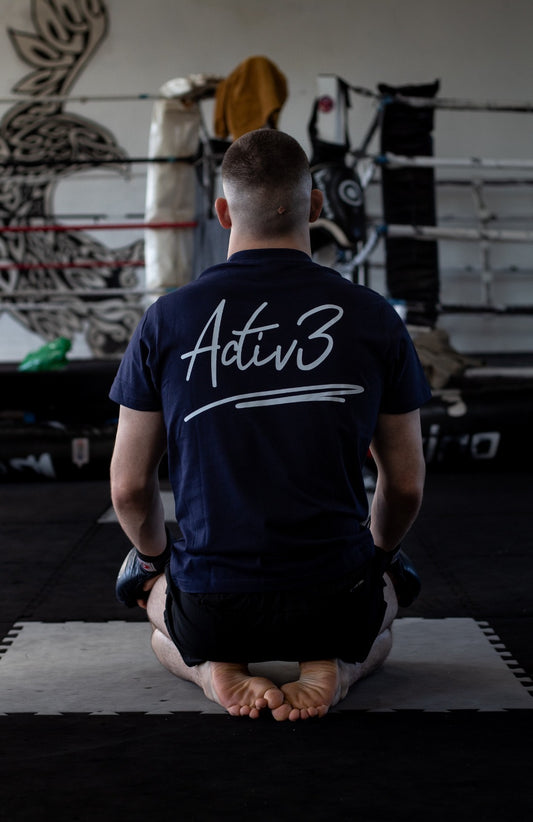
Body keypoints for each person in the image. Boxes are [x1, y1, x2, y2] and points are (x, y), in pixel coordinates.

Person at [109, 128, 431, 721]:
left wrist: (155, 561)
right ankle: (340, 668)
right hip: (335, 601)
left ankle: (211, 671)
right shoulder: (375, 318)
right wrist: (379, 556)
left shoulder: (167, 320)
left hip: (212, 605)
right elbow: (405, 485)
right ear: (316, 205)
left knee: (150, 603)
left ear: (223, 212)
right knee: (387, 607)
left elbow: (129, 489)